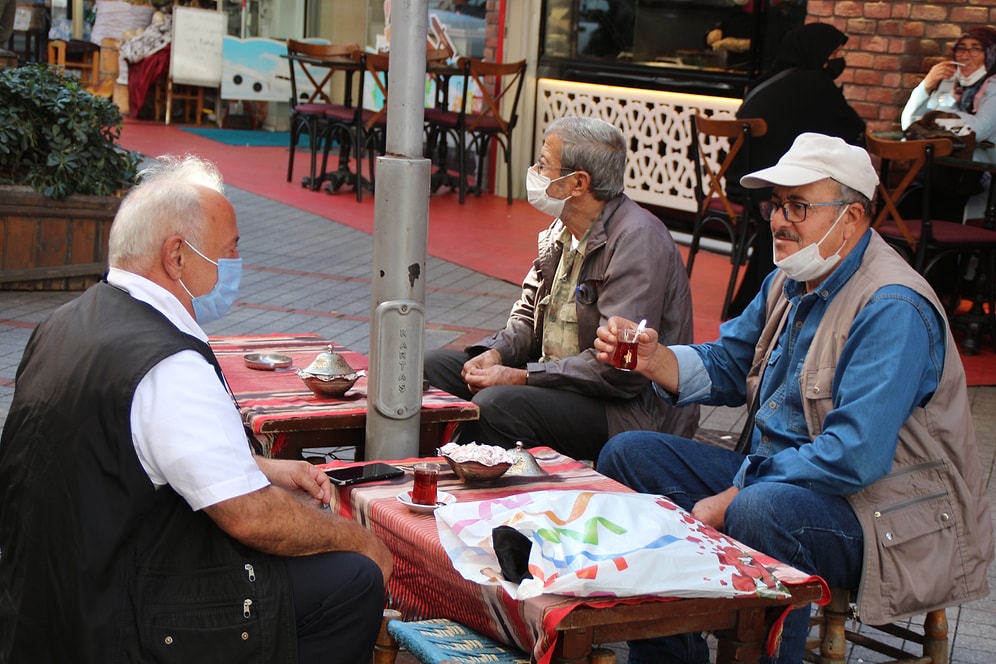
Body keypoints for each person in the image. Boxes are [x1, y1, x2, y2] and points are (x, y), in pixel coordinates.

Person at [593, 133, 993, 664]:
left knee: (761, 509)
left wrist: (735, 493)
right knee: (628, 454)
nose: (779, 220)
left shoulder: (892, 306)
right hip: (779, 480)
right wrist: (655, 360)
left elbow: (853, 455)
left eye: (798, 206)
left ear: (851, 218)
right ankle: (673, 657)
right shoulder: (791, 277)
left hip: (884, 516)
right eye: (776, 205)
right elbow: (730, 363)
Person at [0, 156, 393, 663]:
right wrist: (357, 539)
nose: (236, 262)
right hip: (119, 614)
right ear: (177, 257)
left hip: (46, 593)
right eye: (229, 250)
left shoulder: (65, 322)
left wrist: (262, 468)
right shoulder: (167, 363)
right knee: (354, 578)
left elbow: (133, 453)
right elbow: (251, 518)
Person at [424, 116, 698, 461]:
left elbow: (620, 371)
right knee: (431, 368)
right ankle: (417, 471)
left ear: (578, 183)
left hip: (625, 409)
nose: (535, 172)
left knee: (497, 404)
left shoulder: (637, 240)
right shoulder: (562, 229)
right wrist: (496, 354)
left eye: (543, 165)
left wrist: (521, 377)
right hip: (558, 378)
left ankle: (467, 481)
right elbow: (528, 317)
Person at [725, 22, 866, 319]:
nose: (838, 60)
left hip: (743, 184)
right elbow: (853, 129)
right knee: (806, 205)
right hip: (772, 191)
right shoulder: (816, 84)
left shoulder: (767, 80)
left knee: (786, 207)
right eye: (835, 53)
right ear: (816, 52)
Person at [901, 26, 996, 222]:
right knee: (912, 202)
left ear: (991, 54)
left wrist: (939, 114)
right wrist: (926, 85)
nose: (965, 55)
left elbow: (977, 130)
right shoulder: (954, 85)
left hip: (983, 182)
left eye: (975, 49)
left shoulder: (993, 86)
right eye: (961, 48)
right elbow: (910, 123)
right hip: (948, 176)